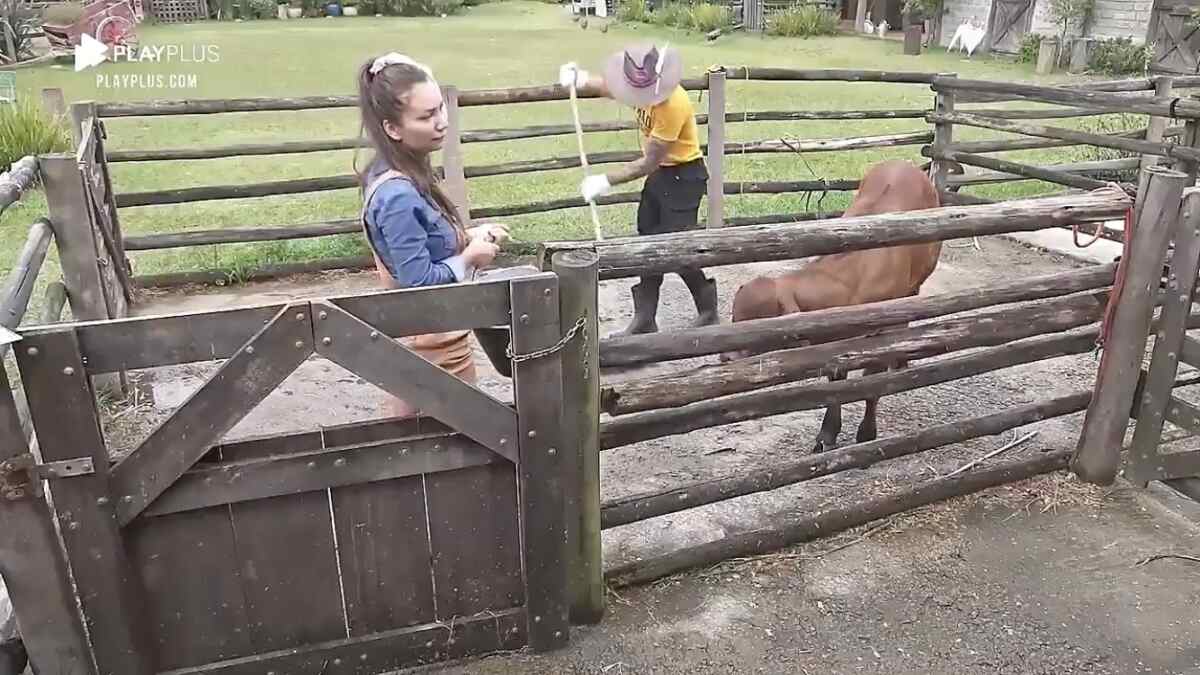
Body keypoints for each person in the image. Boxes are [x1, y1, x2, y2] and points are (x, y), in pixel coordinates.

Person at [356, 52, 510, 417]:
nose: (441, 122)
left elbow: (423, 241)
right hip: (429, 350)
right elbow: (418, 281)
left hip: (439, 341)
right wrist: (469, 257)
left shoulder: (403, 171)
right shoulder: (397, 194)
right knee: (430, 450)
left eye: (440, 109)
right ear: (392, 128)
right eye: (426, 116)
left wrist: (470, 234)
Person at [558, 43, 718, 335]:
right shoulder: (639, 87)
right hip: (662, 176)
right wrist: (581, 78)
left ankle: (708, 311)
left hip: (684, 176)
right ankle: (645, 320)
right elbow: (612, 87)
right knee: (647, 242)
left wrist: (606, 180)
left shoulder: (673, 103)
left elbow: (650, 160)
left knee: (674, 249)